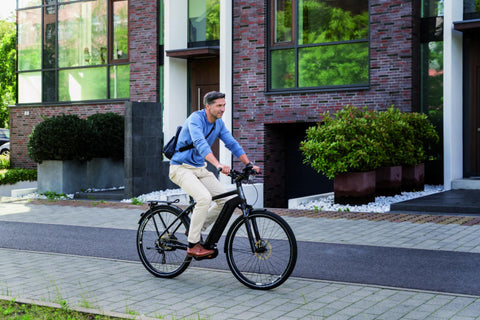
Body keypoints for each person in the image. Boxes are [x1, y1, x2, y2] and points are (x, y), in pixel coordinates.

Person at [169, 91, 260, 258]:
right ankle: (192, 245)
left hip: (199, 169)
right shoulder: (195, 119)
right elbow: (200, 144)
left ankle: (195, 228)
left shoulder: (218, 124)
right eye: (219, 105)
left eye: (224, 105)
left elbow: (232, 143)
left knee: (225, 201)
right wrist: (218, 164)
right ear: (208, 106)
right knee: (204, 198)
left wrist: (248, 164)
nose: (223, 109)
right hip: (180, 168)